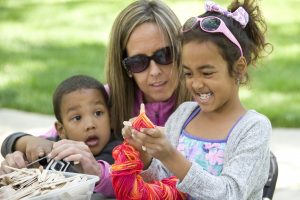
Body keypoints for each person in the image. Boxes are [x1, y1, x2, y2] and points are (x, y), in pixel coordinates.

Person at [1, 0, 191, 164]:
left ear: (181, 50)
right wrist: (24, 147)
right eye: (138, 62)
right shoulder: (105, 100)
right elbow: (51, 140)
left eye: (165, 55)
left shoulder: (200, 101)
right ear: (124, 66)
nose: (155, 71)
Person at [124, 0, 272, 199]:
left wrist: (171, 155)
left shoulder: (253, 128)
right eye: (188, 74)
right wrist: (147, 155)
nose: (196, 84)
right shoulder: (184, 114)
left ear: (239, 68)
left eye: (207, 73)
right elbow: (164, 181)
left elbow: (231, 193)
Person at [0, 75, 121, 179]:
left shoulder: (119, 152)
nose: (90, 125)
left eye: (98, 113)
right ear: (61, 130)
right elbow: (7, 145)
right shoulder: (54, 146)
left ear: (111, 118)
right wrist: (28, 143)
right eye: (77, 118)